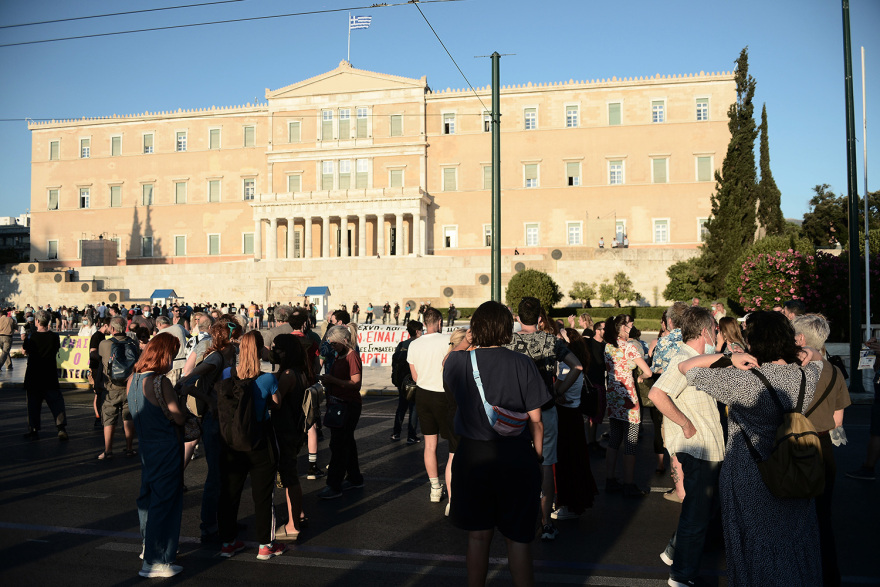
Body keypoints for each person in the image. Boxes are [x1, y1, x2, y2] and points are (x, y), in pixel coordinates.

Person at [678, 310, 824, 587]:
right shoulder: (805, 376)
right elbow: (819, 357)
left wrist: (728, 357)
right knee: (795, 541)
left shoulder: (742, 380)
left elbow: (686, 368)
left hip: (751, 472)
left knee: (754, 543)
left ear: (754, 341)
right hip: (795, 466)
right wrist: (806, 352)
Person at [444, 300, 548, 587]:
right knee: (518, 540)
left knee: (478, 536)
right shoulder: (523, 363)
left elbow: (450, 361)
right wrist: (537, 457)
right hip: (516, 456)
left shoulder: (458, 363)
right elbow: (536, 419)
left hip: (474, 456)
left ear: (476, 329)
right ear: (507, 329)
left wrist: (467, 338)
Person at [648, 306, 726, 587]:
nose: (717, 334)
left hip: (705, 448)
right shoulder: (684, 357)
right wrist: (686, 424)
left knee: (704, 509)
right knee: (697, 515)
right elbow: (657, 393)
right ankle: (681, 575)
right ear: (705, 331)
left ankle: (673, 552)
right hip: (699, 449)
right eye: (715, 330)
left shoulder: (696, 358)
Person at [505, 297, 582, 540]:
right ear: (540, 319)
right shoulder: (550, 341)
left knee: (515, 461)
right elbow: (577, 366)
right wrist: (559, 390)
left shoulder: (509, 341)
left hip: (516, 410)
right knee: (546, 463)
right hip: (545, 406)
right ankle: (546, 521)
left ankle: (516, 514)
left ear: (518, 318)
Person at [217, 330, 287, 560]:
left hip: (233, 442)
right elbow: (276, 405)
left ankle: (228, 542)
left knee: (230, 494)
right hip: (259, 441)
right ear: (259, 350)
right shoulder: (267, 378)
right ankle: (265, 545)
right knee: (263, 495)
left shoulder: (228, 373)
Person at [792, 314, 851, 587]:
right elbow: (839, 420)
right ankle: (829, 576)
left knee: (792, 516)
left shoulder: (792, 371)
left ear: (801, 339)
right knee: (822, 519)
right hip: (823, 445)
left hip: (796, 446)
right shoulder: (835, 371)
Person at [128, 332, 186, 578]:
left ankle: (147, 545)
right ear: (164, 355)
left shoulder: (132, 379)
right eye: (173, 354)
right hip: (166, 445)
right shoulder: (160, 382)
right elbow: (178, 416)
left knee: (148, 498)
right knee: (166, 502)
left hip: (147, 445)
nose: (174, 359)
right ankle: (156, 559)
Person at [408, 307, 457, 508]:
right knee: (453, 447)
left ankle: (435, 488)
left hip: (423, 394)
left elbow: (415, 376)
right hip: (443, 395)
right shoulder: (447, 341)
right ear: (438, 322)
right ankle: (453, 495)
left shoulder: (415, 344)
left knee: (430, 444)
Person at [552, 328, 598, 521]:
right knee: (574, 460)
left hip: (566, 416)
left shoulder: (567, 367)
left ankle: (569, 504)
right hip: (574, 415)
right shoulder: (577, 365)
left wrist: (555, 391)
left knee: (566, 461)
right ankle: (572, 502)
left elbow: (555, 391)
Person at [603, 314, 652, 496]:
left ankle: (610, 479)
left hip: (613, 395)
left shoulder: (608, 346)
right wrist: (639, 376)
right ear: (622, 328)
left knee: (615, 438)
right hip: (628, 397)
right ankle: (629, 483)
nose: (630, 328)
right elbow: (647, 371)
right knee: (630, 442)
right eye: (628, 326)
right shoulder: (629, 347)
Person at [270, 334, 311, 540]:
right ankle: (298, 514)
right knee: (291, 475)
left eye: (277, 348)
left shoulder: (287, 374)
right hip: (293, 430)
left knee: (289, 478)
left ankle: (292, 526)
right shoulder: (298, 371)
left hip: (285, 431)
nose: (273, 351)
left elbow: (276, 402)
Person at [317, 325, 364, 499]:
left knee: (338, 445)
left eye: (334, 344)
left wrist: (333, 380)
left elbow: (356, 383)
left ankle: (334, 485)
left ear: (344, 341)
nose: (332, 347)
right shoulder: (340, 355)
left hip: (347, 405)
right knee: (347, 443)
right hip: (339, 404)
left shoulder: (352, 357)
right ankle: (355, 478)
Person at [97, 317, 140, 459]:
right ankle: (129, 448)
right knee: (128, 417)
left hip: (111, 387)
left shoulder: (104, 344)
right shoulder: (133, 343)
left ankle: (108, 450)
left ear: (113, 329)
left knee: (109, 418)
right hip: (129, 386)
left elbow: (100, 360)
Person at [22, 310, 68, 441]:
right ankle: (61, 428)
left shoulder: (31, 336)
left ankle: (34, 429)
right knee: (56, 402)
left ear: (37, 321)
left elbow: (25, 351)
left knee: (33, 404)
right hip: (49, 374)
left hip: (34, 375)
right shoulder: (54, 336)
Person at [391, 320, 422, 444]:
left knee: (401, 407)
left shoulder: (402, 344)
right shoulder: (419, 344)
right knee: (414, 408)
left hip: (402, 382)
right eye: (421, 330)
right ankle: (411, 435)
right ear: (417, 331)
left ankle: (396, 433)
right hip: (414, 380)